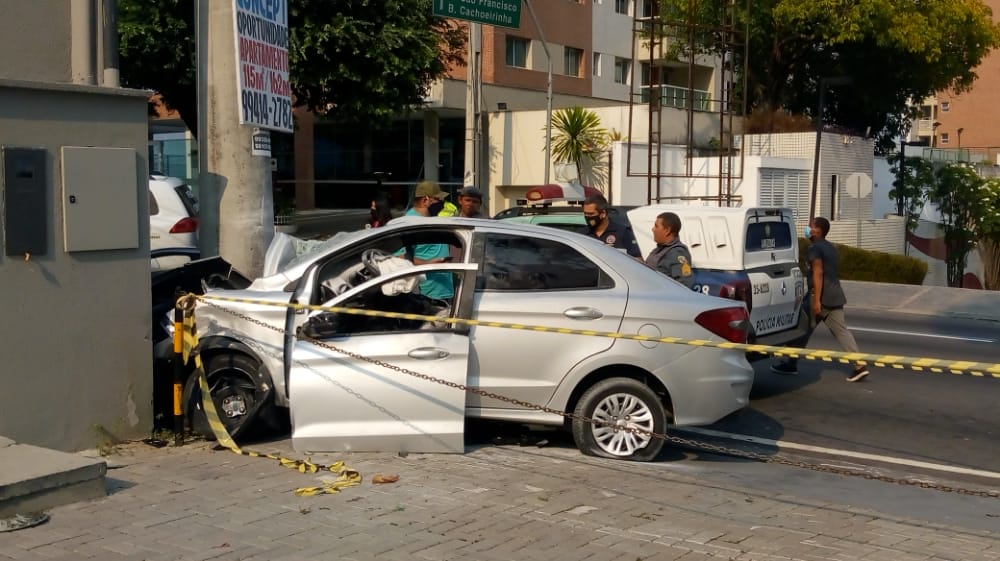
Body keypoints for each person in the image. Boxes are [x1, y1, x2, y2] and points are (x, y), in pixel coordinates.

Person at [771, 216, 870, 382]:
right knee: (840, 332)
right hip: (835, 295)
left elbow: (818, 273)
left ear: (818, 231)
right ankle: (859, 366)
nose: (807, 229)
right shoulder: (830, 247)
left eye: (810, 226)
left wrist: (816, 300)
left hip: (820, 298)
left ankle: (791, 362)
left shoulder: (815, 249)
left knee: (801, 327)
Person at [404, 181, 454, 301]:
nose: (442, 204)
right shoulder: (409, 223)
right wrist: (432, 264)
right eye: (438, 200)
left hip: (445, 292)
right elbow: (402, 260)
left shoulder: (432, 220)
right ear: (425, 200)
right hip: (426, 296)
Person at [644, 212, 695, 288]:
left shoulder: (677, 253)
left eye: (656, 226)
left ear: (667, 230)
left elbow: (684, 285)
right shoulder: (658, 250)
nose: (653, 229)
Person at [582, 194, 641, 258]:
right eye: (585, 213)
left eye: (591, 214)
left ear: (603, 213)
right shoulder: (581, 234)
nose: (587, 217)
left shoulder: (623, 233)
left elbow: (637, 260)